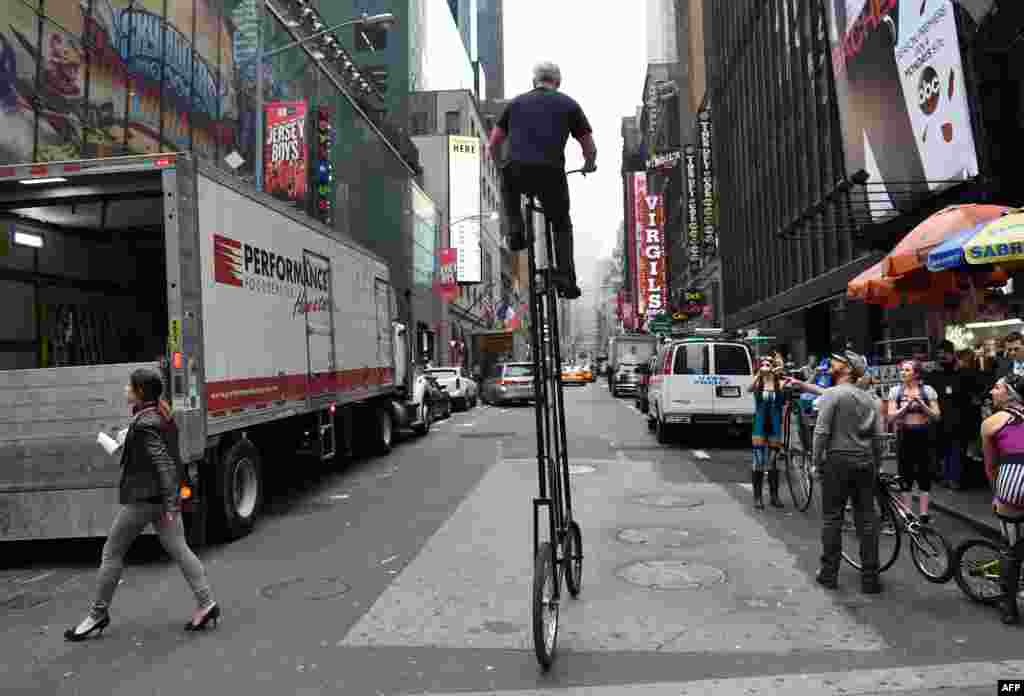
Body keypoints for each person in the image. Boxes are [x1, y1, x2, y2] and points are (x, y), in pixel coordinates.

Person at [65, 368, 218, 641]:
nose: (126, 390)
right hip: (160, 499)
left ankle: (97, 614)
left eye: (129, 386)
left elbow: (164, 466)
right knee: (180, 550)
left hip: (145, 500)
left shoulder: (146, 423)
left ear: (140, 392)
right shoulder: (160, 414)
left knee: (111, 553)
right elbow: (158, 457)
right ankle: (207, 603)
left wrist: (171, 505)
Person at [488, 61, 598, 300]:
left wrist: (501, 166)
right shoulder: (569, 104)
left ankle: (516, 232)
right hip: (551, 174)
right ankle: (566, 278)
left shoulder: (515, 103)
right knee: (560, 222)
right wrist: (589, 165)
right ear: (557, 83)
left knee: (509, 187)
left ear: (534, 81)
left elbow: (494, 142)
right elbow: (589, 146)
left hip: (517, 171)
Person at [811, 351, 885, 594]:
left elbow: (821, 432)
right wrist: (877, 463)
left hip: (838, 461)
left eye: (836, 361)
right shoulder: (870, 400)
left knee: (833, 518)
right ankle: (870, 578)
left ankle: (829, 573)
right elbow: (878, 438)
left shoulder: (833, 395)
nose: (831, 363)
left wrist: (815, 461)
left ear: (847, 369)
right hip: (865, 462)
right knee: (867, 520)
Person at [981, 374, 1024, 624]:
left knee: (1011, 547)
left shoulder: (992, 423)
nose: (992, 392)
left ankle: (1008, 606)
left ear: (1009, 393)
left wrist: (997, 494)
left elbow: (991, 467)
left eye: (997, 387)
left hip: (1012, 486)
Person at [884, 360, 941, 522]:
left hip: (923, 434)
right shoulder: (896, 391)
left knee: (925, 473)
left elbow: (936, 416)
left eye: (907, 370)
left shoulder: (927, 390)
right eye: (902, 370)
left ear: (916, 373)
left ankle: (924, 514)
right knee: (905, 473)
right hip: (905, 434)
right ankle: (907, 513)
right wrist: (907, 405)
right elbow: (890, 417)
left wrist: (922, 404)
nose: (902, 373)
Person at [930, 340, 974, 490]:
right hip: (940, 421)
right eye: (939, 355)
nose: (942, 358)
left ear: (952, 354)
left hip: (959, 421)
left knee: (956, 450)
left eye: (945, 354)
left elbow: (972, 394)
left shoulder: (964, 373)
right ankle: (947, 477)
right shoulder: (934, 375)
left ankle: (955, 479)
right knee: (943, 451)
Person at [748, 355, 786, 510]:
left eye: (769, 364)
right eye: (763, 364)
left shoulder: (780, 383)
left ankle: (774, 496)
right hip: (759, 426)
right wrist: (759, 375)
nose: (766, 366)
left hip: (775, 426)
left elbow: (799, 386)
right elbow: (748, 389)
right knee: (758, 461)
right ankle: (757, 497)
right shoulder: (758, 383)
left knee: (773, 461)